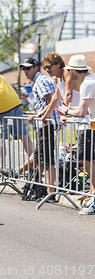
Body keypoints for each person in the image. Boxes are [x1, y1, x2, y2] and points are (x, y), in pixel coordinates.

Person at [0, 58, 60, 203]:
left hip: (47, 123)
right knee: (41, 157)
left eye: (28, 68)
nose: (25, 71)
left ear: (36, 68)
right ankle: (47, 189)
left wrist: (39, 115)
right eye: (23, 68)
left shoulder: (41, 81)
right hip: (46, 123)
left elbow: (53, 100)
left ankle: (50, 192)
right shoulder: (38, 81)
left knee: (45, 160)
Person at [56, 55, 95, 214]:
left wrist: (65, 110)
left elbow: (81, 112)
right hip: (92, 124)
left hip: (92, 125)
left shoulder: (87, 84)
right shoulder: (92, 79)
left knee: (84, 157)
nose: (67, 73)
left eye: (68, 70)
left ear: (73, 70)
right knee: (86, 157)